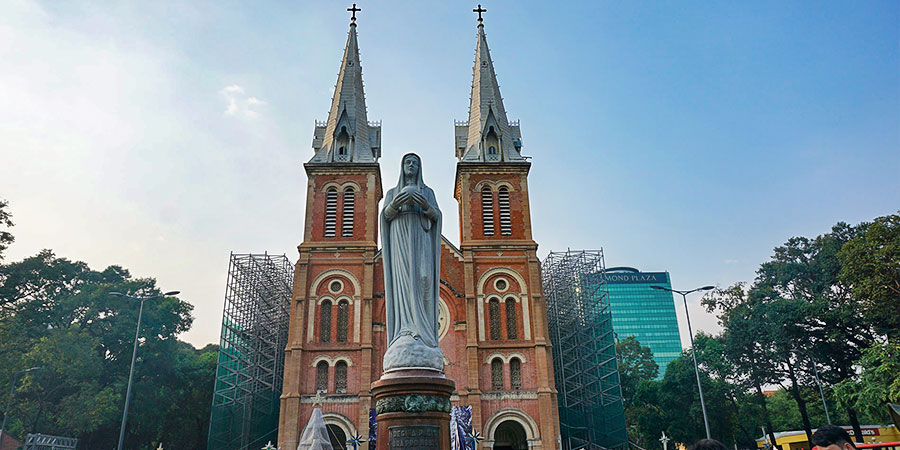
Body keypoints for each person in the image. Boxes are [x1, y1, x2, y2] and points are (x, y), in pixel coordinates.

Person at [380, 153, 444, 372]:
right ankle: (405, 331)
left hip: (422, 244)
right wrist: (394, 205)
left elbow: (436, 217)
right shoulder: (391, 193)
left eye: (415, 162)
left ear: (420, 168)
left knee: (425, 278)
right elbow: (385, 217)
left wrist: (425, 205)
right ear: (401, 167)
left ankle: (424, 333)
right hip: (400, 247)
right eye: (408, 162)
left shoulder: (428, 192)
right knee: (403, 286)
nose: (411, 165)